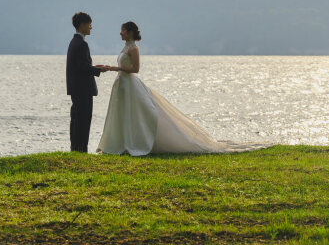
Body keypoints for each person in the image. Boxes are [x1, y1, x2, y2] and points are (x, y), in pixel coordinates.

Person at [96, 21, 264, 155]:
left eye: (123, 31)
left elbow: (135, 69)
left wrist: (114, 68)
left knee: (138, 113)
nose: (120, 33)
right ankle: (122, 142)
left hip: (130, 84)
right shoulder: (125, 47)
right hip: (122, 85)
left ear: (130, 32)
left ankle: (136, 142)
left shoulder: (133, 48)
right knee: (123, 113)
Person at [66, 12, 110, 152]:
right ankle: (81, 149)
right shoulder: (82, 44)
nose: (91, 27)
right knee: (83, 121)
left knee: (76, 119)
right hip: (83, 89)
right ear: (82, 25)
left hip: (76, 88)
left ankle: (75, 148)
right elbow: (83, 68)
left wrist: (94, 67)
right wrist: (99, 70)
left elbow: (80, 66)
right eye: (89, 25)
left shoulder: (74, 42)